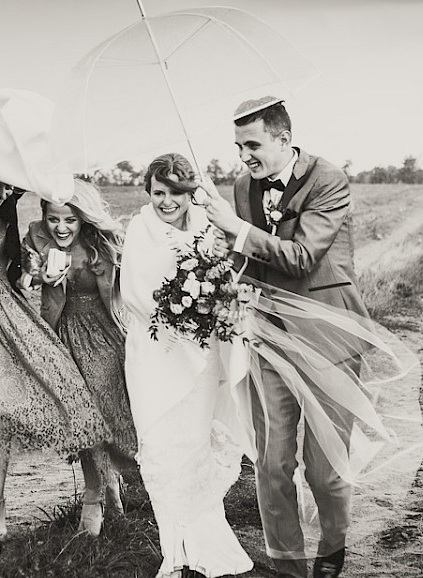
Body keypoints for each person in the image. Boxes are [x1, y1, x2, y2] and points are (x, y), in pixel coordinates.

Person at [202, 96, 367, 578]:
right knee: (271, 461)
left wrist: (237, 231)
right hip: (268, 334)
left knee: (324, 467)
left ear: (283, 139)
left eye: (252, 145)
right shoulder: (240, 186)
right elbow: (252, 261)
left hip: (328, 334)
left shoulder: (329, 179)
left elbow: (300, 259)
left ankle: (332, 551)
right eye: (238, 147)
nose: (243, 156)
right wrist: (225, 254)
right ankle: (286, 564)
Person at [0, 182, 111, 545]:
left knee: (1, 404)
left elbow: (19, 266)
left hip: (8, 315)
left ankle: (2, 504)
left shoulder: (7, 203)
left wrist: (34, 276)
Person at [119, 153, 254, 578]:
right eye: (158, 192)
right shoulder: (140, 228)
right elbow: (137, 296)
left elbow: (228, 278)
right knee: (162, 450)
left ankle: (203, 540)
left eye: (175, 192)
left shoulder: (206, 224)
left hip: (200, 357)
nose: (166, 201)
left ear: (188, 193)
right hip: (155, 358)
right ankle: (174, 552)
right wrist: (184, 297)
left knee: (195, 449)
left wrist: (217, 265)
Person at [21, 179, 136, 536]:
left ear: (83, 219)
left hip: (103, 331)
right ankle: (96, 492)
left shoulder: (101, 243)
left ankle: (107, 484)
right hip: (63, 332)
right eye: (54, 219)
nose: (61, 227)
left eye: (69, 220)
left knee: (104, 408)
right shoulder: (36, 237)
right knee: (81, 417)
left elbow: (132, 281)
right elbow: (24, 276)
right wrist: (38, 275)